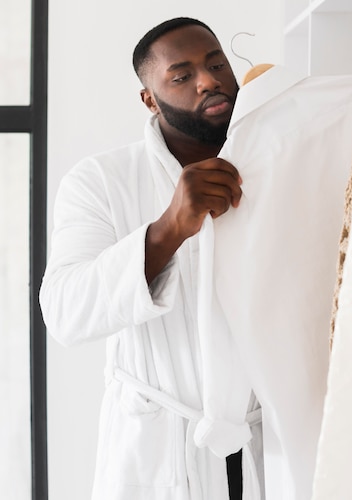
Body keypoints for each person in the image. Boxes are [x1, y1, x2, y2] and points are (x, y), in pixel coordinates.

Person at [40, 17, 253, 500]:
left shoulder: (275, 158)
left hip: (270, 432)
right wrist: (169, 229)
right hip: (163, 446)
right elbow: (65, 312)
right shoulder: (100, 180)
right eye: (181, 76)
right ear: (150, 99)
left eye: (216, 62)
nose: (208, 80)